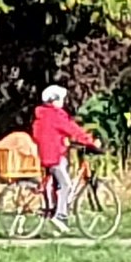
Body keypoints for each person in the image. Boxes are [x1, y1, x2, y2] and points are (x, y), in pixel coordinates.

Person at [29, 81, 93, 219]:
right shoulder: (56, 115)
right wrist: (89, 141)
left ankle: (52, 207)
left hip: (44, 155)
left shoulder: (42, 115)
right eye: (61, 99)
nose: (63, 101)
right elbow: (72, 129)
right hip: (54, 156)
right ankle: (60, 215)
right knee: (66, 185)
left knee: (55, 183)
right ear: (54, 100)